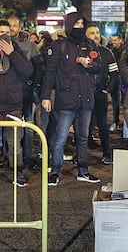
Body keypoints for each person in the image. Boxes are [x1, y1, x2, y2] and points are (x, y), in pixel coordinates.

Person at [41, 12, 103, 186]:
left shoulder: (89, 44)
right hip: (66, 99)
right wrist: (46, 96)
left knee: (83, 137)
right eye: (76, 24)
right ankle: (55, 171)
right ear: (69, 25)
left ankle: (83, 170)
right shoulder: (60, 46)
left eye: (82, 24)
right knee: (60, 137)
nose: (80, 27)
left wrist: (89, 64)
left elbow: (100, 67)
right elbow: (50, 73)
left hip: (86, 100)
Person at [0, 19, 33, 186]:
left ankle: (17, 172)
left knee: (14, 143)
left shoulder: (16, 50)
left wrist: (12, 54)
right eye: (0, 32)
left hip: (13, 107)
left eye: (6, 32)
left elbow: (28, 71)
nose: (4, 36)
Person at [8, 15, 44, 170]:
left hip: (26, 93)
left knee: (28, 126)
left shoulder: (30, 46)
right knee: (9, 128)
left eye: (14, 25)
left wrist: (32, 84)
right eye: (9, 25)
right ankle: (9, 157)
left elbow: (38, 67)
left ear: (20, 26)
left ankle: (27, 157)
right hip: (8, 94)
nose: (11, 29)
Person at [85, 24, 119, 165]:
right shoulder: (80, 51)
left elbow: (115, 74)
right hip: (84, 93)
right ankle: (82, 155)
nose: (96, 35)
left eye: (97, 32)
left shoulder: (107, 53)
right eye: (92, 33)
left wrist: (108, 89)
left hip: (100, 93)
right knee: (83, 124)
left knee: (102, 124)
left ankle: (106, 153)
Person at [107, 34, 125, 131]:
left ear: (120, 40)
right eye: (112, 40)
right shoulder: (110, 51)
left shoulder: (124, 51)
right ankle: (116, 121)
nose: (114, 42)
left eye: (115, 40)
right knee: (115, 101)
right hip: (115, 79)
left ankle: (125, 123)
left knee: (125, 102)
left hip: (123, 79)